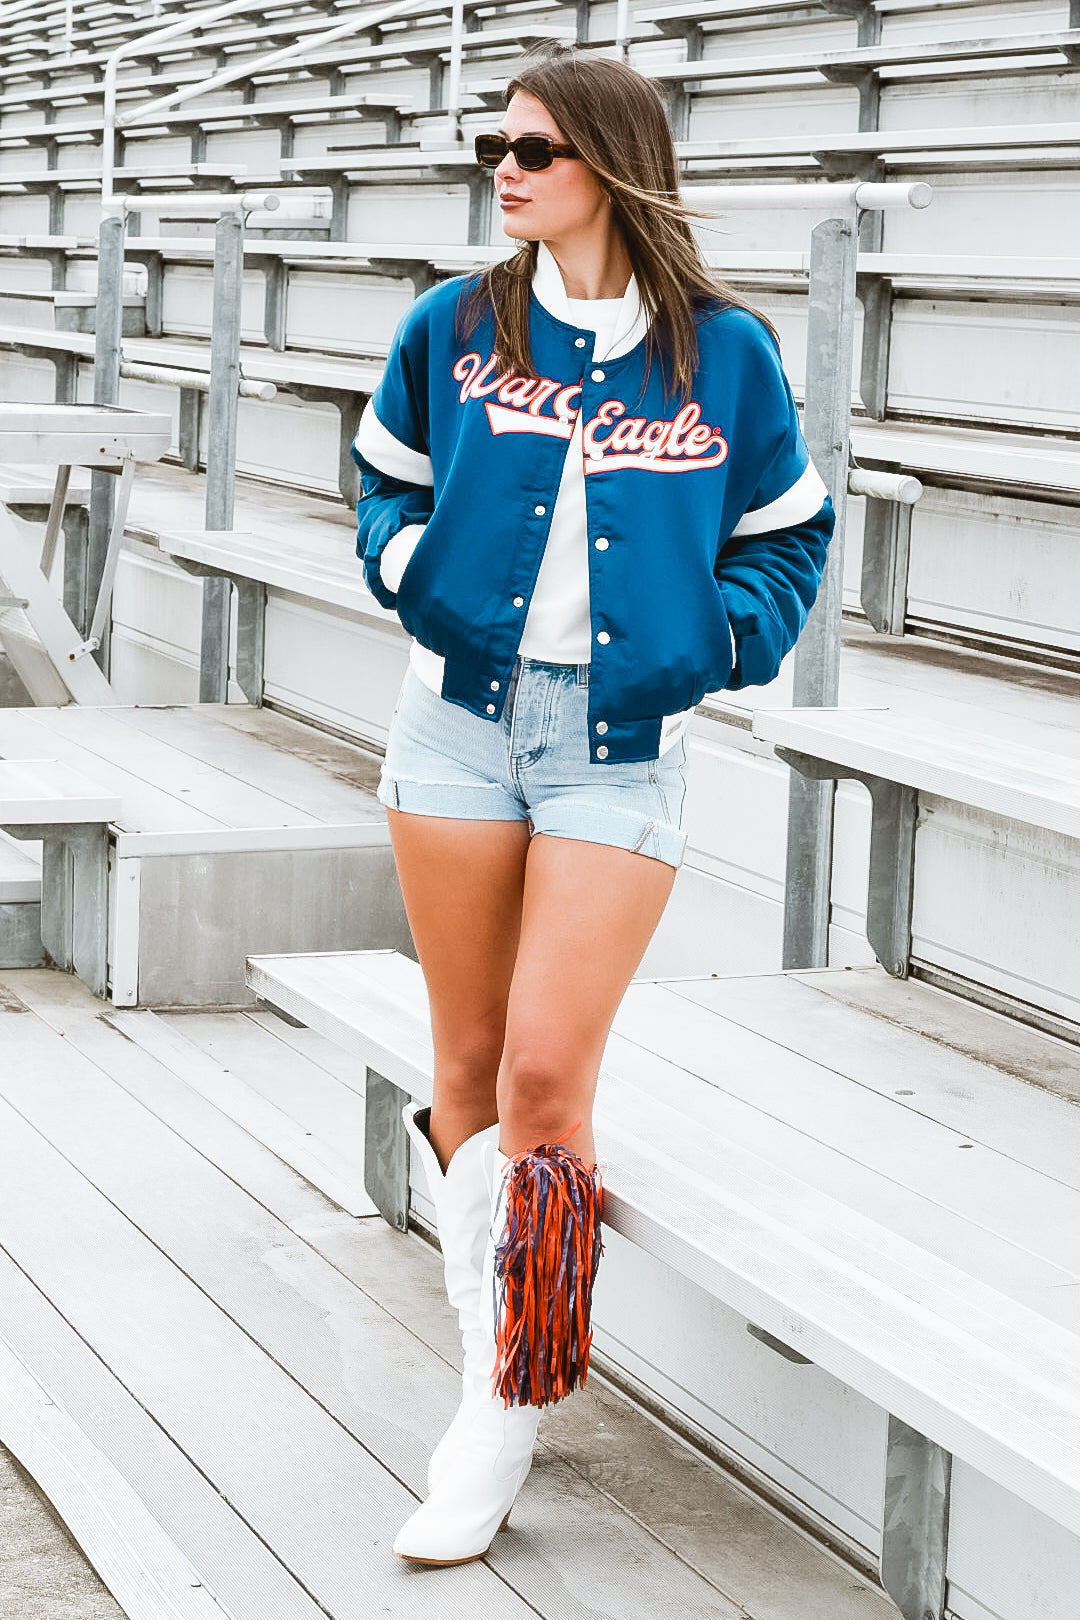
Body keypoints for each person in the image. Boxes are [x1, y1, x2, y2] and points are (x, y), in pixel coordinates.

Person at [351, 43, 834, 1567]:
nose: (503, 170)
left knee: (547, 1079)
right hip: (455, 728)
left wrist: (719, 643)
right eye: (492, 146)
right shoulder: (454, 327)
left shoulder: (724, 355)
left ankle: (510, 1397)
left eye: (534, 150)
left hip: (616, 743)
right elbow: (382, 483)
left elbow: (788, 534)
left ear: (611, 166)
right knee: (466, 1064)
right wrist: (413, 575)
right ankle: (491, 1384)